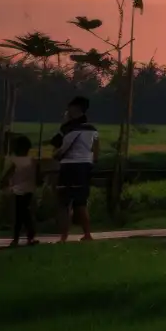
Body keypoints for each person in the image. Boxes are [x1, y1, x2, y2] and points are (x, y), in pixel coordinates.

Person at [51, 96, 98, 243]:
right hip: (85, 167)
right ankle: (87, 234)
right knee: (81, 203)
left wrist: (64, 123)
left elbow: (57, 147)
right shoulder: (92, 129)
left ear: (75, 108)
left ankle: (63, 237)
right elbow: (96, 150)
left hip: (69, 167)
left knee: (64, 202)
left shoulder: (67, 128)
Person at [4, 135, 38, 247]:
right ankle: (29, 236)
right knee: (25, 213)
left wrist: (2, 182)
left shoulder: (15, 161)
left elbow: (8, 174)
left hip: (18, 191)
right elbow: (38, 175)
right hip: (29, 190)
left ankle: (17, 238)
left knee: (20, 214)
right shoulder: (32, 161)